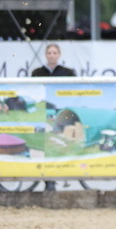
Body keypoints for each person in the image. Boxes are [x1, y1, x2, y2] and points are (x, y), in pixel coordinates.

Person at [31, 43, 75, 191]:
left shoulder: (68, 72)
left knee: (59, 143)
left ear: (59, 54)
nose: (52, 55)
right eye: (49, 53)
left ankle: (58, 175)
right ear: (46, 55)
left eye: (54, 52)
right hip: (44, 112)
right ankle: (49, 179)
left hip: (60, 113)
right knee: (45, 144)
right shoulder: (37, 72)